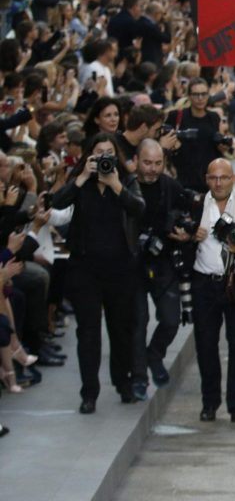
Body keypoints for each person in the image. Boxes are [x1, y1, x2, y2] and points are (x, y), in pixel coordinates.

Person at [52, 133, 145, 413]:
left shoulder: (125, 180)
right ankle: (89, 392)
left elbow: (139, 208)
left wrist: (115, 184)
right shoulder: (81, 182)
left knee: (120, 329)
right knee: (88, 332)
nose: (104, 158)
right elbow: (56, 203)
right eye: (98, 154)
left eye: (109, 153)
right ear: (89, 156)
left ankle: (123, 383)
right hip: (85, 268)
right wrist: (80, 178)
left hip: (120, 268)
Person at [190, 157, 235, 423]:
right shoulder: (195, 208)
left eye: (224, 177)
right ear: (207, 180)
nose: (218, 183)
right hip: (205, 282)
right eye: (213, 178)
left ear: (233, 179)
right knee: (206, 345)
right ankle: (210, 402)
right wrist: (189, 235)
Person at [129, 139, 191, 400]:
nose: (152, 169)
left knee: (171, 319)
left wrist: (184, 232)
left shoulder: (170, 186)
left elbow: (189, 212)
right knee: (137, 322)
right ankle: (139, 377)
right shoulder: (126, 186)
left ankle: (154, 355)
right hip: (131, 264)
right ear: (136, 161)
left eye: (158, 163)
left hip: (163, 260)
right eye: (147, 163)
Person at [163, 78, 230, 193]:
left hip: (210, 180)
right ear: (189, 96)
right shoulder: (176, 116)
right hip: (183, 179)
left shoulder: (214, 117)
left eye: (204, 94)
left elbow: (219, 146)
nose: (200, 98)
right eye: (196, 94)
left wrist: (223, 147)